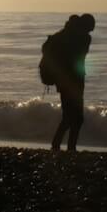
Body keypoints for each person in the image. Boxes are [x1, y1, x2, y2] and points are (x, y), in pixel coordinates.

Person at [40, 13, 95, 152]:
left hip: (64, 80)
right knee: (76, 117)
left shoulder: (63, 35)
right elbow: (78, 57)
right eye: (91, 26)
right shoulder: (83, 38)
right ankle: (67, 146)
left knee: (70, 116)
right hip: (73, 80)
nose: (92, 29)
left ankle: (60, 145)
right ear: (86, 25)